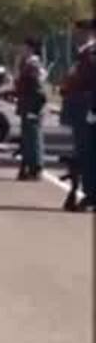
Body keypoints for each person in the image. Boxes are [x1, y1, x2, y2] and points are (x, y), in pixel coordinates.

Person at [61, 19, 96, 210]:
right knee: (84, 153)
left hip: (87, 109)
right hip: (81, 109)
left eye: (80, 32)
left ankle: (92, 195)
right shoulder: (84, 54)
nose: (77, 35)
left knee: (89, 154)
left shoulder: (91, 54)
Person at [6, 38, 47, 182]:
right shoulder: (27, 64)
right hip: (27, 104)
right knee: (27, 138)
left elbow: (37, 89)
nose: (21, 50)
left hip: (32, 105)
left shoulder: (33, 65)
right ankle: (28, 166)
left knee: (33, 138)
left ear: (30, 48)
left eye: (24, 47)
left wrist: (35, 109)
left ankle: (36, 168)